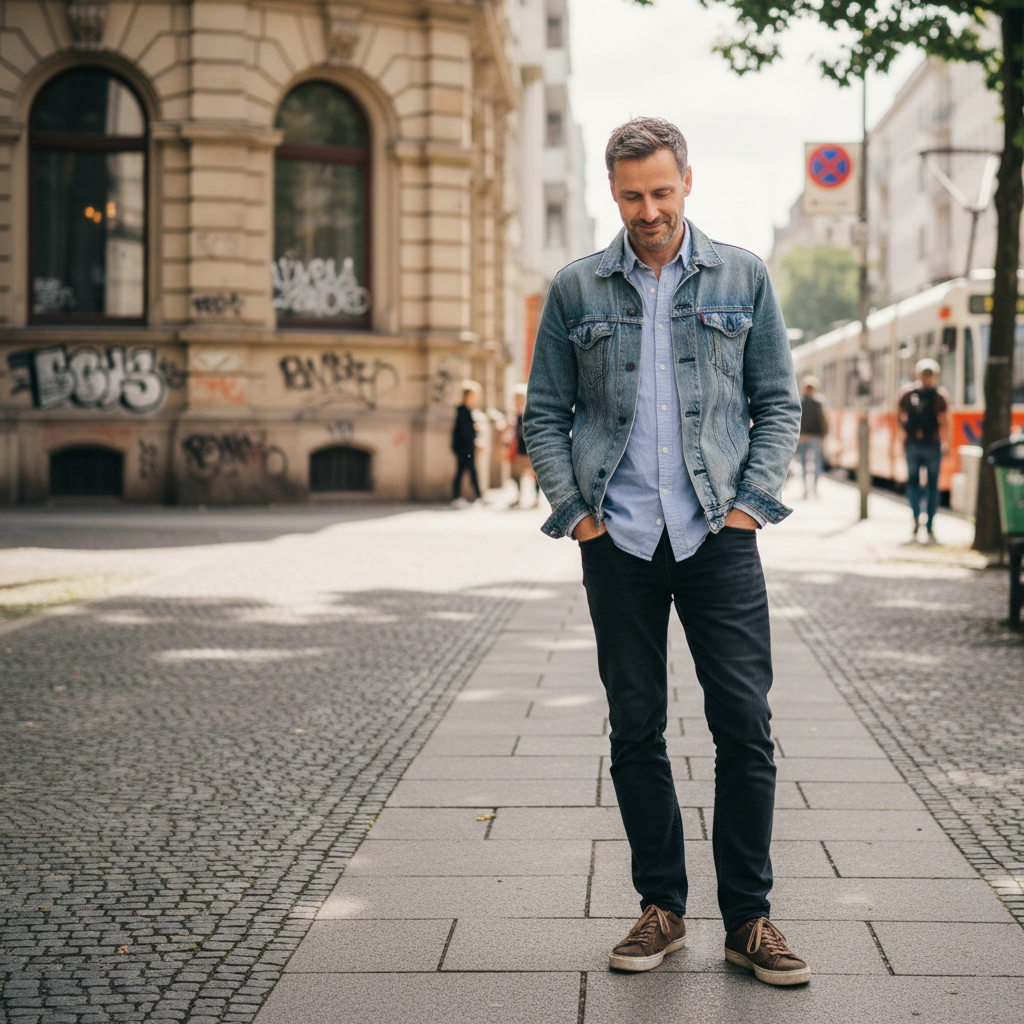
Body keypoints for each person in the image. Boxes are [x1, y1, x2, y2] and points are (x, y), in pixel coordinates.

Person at [524, 117, 808, 985]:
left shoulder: (742, 276)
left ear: (687, 182)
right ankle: (662, 909)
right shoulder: (576, 288)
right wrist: (579, 518)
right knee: (636, 726)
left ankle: (749, 919)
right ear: (613, 195)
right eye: (630, 197)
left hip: (718, 534)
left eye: (660, 192)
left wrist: (749, 509)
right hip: (618, 540)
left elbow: (777, 403)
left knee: (744, 727)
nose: (647, 211)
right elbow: (545, 414)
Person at [898, 358, 949, 543]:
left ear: (918, 375)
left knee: (913, 484)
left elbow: (899, 416)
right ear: (934, 376)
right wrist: (946, 443)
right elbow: (945, 421)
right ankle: (930, 525)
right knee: (933, 486)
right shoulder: (939, 395)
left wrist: (903, 436)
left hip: (912, 444)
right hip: (933, 444)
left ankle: (915, 519)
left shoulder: (907, 393)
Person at [795, 376, 828, 497]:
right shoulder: (819, 402)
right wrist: (824, 434)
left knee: (804, 463)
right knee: (816, 463)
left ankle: (805, 488)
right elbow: (823, 420)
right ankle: (814, 488)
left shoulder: (799, 401)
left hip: (803, 437)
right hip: (815, 437)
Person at [451, 384, 482, 505]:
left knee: (466, 472)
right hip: (464, 447)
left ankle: (473, 497)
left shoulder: (468, 411)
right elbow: (464, 431)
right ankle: (460, 497)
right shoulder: (463, 411)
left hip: (466, 447)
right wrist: (474, 439)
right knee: (465, 472)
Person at [506, 384, 533, 507]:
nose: (517, 401)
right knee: (516, 474)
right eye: (515, 398)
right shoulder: (514, 414)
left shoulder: (529, 411)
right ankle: (518, 496)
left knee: (534, 475)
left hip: (529, 448)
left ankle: (536, 498)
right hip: (517, 448)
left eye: (519, 398)